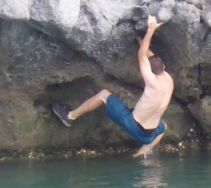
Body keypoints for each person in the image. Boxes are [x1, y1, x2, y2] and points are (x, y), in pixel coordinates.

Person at [52, 15, 174, 157]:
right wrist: (140, 40)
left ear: (150, 72)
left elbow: (142, 56)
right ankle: (144, 151)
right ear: (163, 67)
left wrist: (150, 30)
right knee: (163, 127)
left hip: (133, 125)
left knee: (104, 95)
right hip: (150, 134)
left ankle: (70, 117)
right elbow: (150, 57)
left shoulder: (151, 82)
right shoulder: (169, 80)